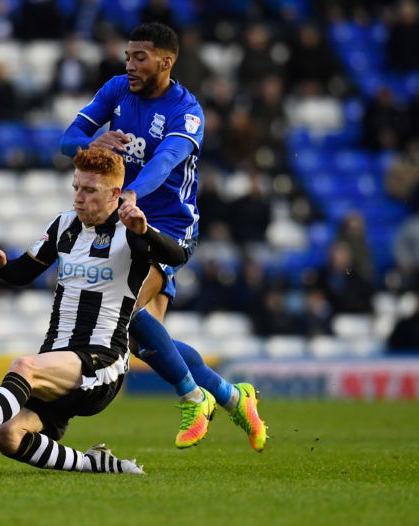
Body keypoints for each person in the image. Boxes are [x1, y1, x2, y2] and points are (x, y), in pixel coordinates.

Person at [59, 23, 267, 451]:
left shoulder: (185, 110)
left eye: (140, 57)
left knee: (120, 312)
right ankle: (233, 397)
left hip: (168, 228)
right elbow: (68, 140)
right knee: (145, 337)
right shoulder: (117, 90)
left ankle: (195, 399)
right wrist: (93, 140)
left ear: (165, 62)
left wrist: (131, 192)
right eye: (128, 56)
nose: (130, 65)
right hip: (122, 223)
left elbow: (167, 160)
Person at [0, 148, 184, 473]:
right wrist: (0, 265)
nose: (79, 197)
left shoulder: (130, 231)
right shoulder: (65, 225)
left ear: (114, 194)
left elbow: (177, 257)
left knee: (24, 366)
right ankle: (97, 466)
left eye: (89, 190)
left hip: (101, 361)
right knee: (6, 434)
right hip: (59, 359)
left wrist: (145, 231)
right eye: (76, 187)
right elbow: (21, 273)